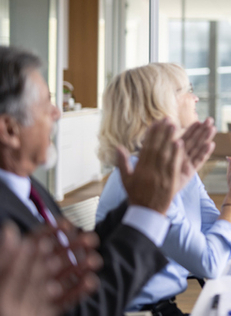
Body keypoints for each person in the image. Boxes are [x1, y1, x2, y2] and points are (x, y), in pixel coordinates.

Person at [0, 46, 190, 316]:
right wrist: (148, 212)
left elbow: (77, 260)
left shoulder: (27, 187)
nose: (57, 113)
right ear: (9, 130)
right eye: (45, 104)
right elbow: (81, 307)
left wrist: (143, 201)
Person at [96, 63, 231, 315]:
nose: (196, 98)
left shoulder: (176, 170)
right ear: (160, 105)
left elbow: (230, 243)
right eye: (187, 90)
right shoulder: (142, 179)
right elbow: (211, 262)